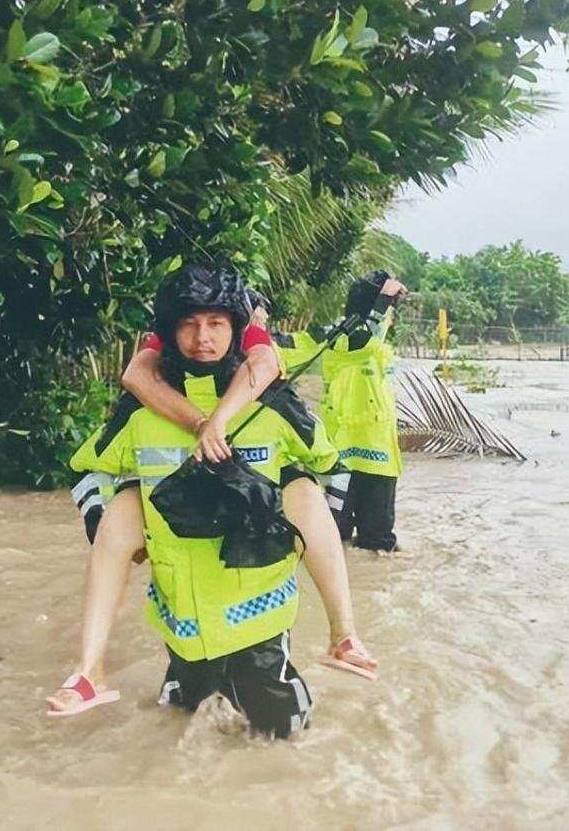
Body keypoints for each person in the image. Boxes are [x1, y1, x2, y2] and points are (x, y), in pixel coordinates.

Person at [47, 279, 377, 719]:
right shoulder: (140, 411)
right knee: (175, 730)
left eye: (216, 324)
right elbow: (87, 467)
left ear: (237, 328)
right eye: (189, 325)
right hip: (181, 619)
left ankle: (345, 634)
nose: (203, 338)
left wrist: (298, 538)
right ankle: (90, 671)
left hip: (258, 624)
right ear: (168, 332)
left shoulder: (273, 404)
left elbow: (334, 466)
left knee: (280, 746)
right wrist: (112, 526)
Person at [273, 272, 406, 552]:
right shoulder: (342, 336)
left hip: (376, 455)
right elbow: (359, 338)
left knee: (377, 543)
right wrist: (383, 301)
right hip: (341, 456)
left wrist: (386, 303)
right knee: (334, 534)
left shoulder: (376, 335)